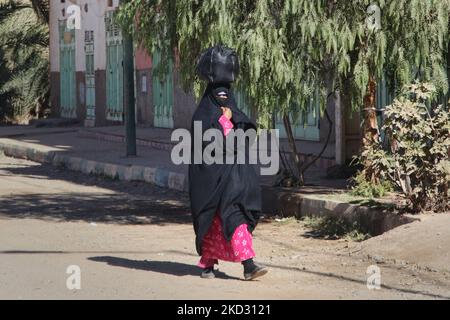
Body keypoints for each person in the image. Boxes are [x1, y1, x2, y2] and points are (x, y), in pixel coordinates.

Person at [189, 45, 268, 280]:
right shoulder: (205, 113)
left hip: (232, 176)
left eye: (227, 94)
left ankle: (247, 264)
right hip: (213, 179)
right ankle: (212, 263)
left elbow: (243, 132)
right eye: (220, 95)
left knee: (235, 215)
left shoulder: (225, 103)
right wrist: (224, 122)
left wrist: (231, 122)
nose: (224, 98)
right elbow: (208, 140)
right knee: (216, 219)